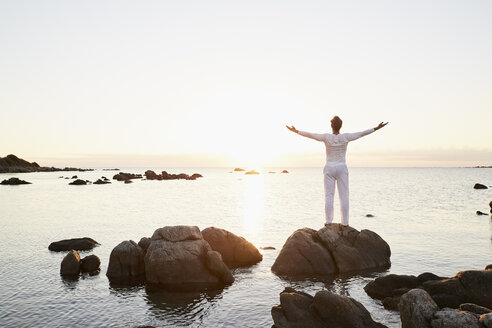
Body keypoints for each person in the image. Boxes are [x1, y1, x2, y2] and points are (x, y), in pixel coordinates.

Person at [286, 116, 388, 227]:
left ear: (331, 126)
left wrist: (296, 131)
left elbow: (312, 135)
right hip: (341, 168)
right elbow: (361, 133)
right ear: (341, 126)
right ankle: (345, 223)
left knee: (329, 196)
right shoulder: (345, 137)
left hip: (329, 168)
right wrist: (376, 128)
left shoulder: (326, 137)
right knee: (344, 196)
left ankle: (328, 222)